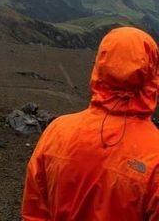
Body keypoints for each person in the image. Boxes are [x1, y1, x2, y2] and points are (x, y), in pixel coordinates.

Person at [21, 27, 159, 220]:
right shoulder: (154, 153)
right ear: (152, 75)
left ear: (100, 68)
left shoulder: (57, 131)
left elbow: (34, 213)